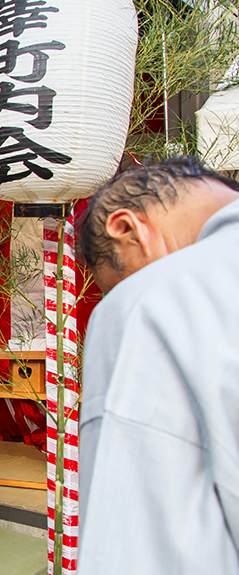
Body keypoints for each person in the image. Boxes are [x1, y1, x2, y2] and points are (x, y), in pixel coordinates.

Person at [76, 157, 239, 574]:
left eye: (118, 280)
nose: (123, 293)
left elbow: (146, 544)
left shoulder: (151, 301)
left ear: (125, 228)